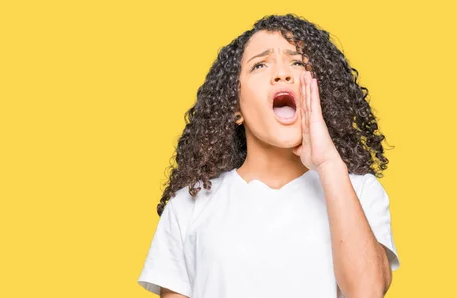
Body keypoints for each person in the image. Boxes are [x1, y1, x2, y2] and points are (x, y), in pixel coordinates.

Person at [137, 14, 400, 298]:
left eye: (297, 62)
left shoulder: (359, 191)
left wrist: (328, 164)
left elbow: (368, 292)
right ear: (235, 107)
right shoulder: (190, 205)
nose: (282, 73)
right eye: (260, 65)